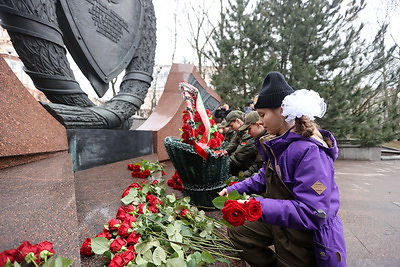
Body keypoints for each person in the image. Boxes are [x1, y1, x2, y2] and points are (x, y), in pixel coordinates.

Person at [218, 71, 346, 267]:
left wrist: (257, 206)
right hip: (283, 217)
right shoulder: (280, 143)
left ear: (282, 112)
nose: (259, 121)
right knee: (239, 231)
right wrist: (236, 190)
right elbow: (265, 176)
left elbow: (313, 211)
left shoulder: (309, 151)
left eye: (262, 115)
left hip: (304, 235)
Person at [223, 110, 258, 176]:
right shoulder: (240, 132)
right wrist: (222, 151)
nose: (231, 128)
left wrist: (224, 165)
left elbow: (240, 155)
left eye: (231, 126)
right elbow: (233, 144)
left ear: (238, 121)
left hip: (249, 167)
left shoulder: (247, 133)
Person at [238, 111, 272, 178]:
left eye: (249, 129)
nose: (248, 133)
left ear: (258, 124)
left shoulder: (268, 141)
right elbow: (257, 165)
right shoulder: (260, 140)